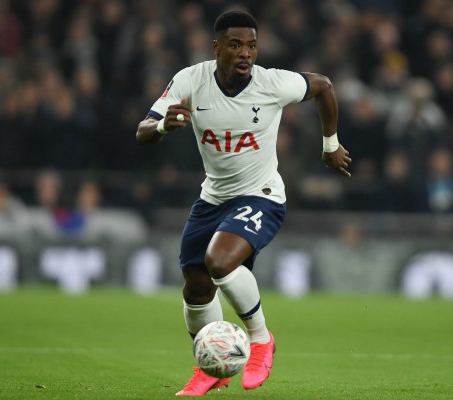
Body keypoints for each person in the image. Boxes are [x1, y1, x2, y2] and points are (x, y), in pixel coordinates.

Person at [135, 10, 351, 396]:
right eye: (235, 45)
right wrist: (165, 125)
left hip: (261, 195)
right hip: (213, 197)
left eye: (251, 45)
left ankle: (261, 340)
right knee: (196, 286)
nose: (245, 53)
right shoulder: (190, 80)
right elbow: (142, 132)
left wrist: (330, 145)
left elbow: (323, 86)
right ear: (216, 48)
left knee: (219, 262)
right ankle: (210, 369)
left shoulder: (271, 83)